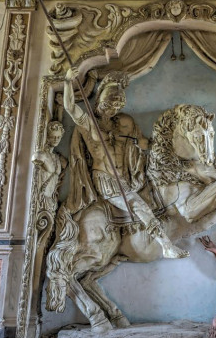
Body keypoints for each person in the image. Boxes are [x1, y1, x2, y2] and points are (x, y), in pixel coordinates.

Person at [62, 69, 187, 259]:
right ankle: (166, 246)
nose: (111, 110)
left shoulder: (124, 123)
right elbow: (70, 107)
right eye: (108, 105)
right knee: (138, 205)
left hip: (125, 179)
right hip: (105, 179)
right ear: (100, 101)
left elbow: (142, 142)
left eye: (116, 107)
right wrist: (68, 82)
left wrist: (160, 145)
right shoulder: (89, 124)